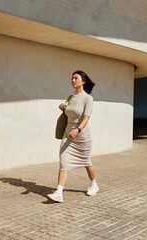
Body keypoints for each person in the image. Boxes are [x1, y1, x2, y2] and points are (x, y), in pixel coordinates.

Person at [47, 70, 97, 203]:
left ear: (83, 81)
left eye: (76, 78)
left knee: (86, 161)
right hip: (67, 133)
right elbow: (72, 112)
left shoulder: (88, 98)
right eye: (72, 78)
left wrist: (78, 130)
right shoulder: (71, 97)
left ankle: (94, 184)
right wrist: (64, 108)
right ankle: (59, 192)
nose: (73, 80)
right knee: (63, 160)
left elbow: (86, 118)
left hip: (82, 135)